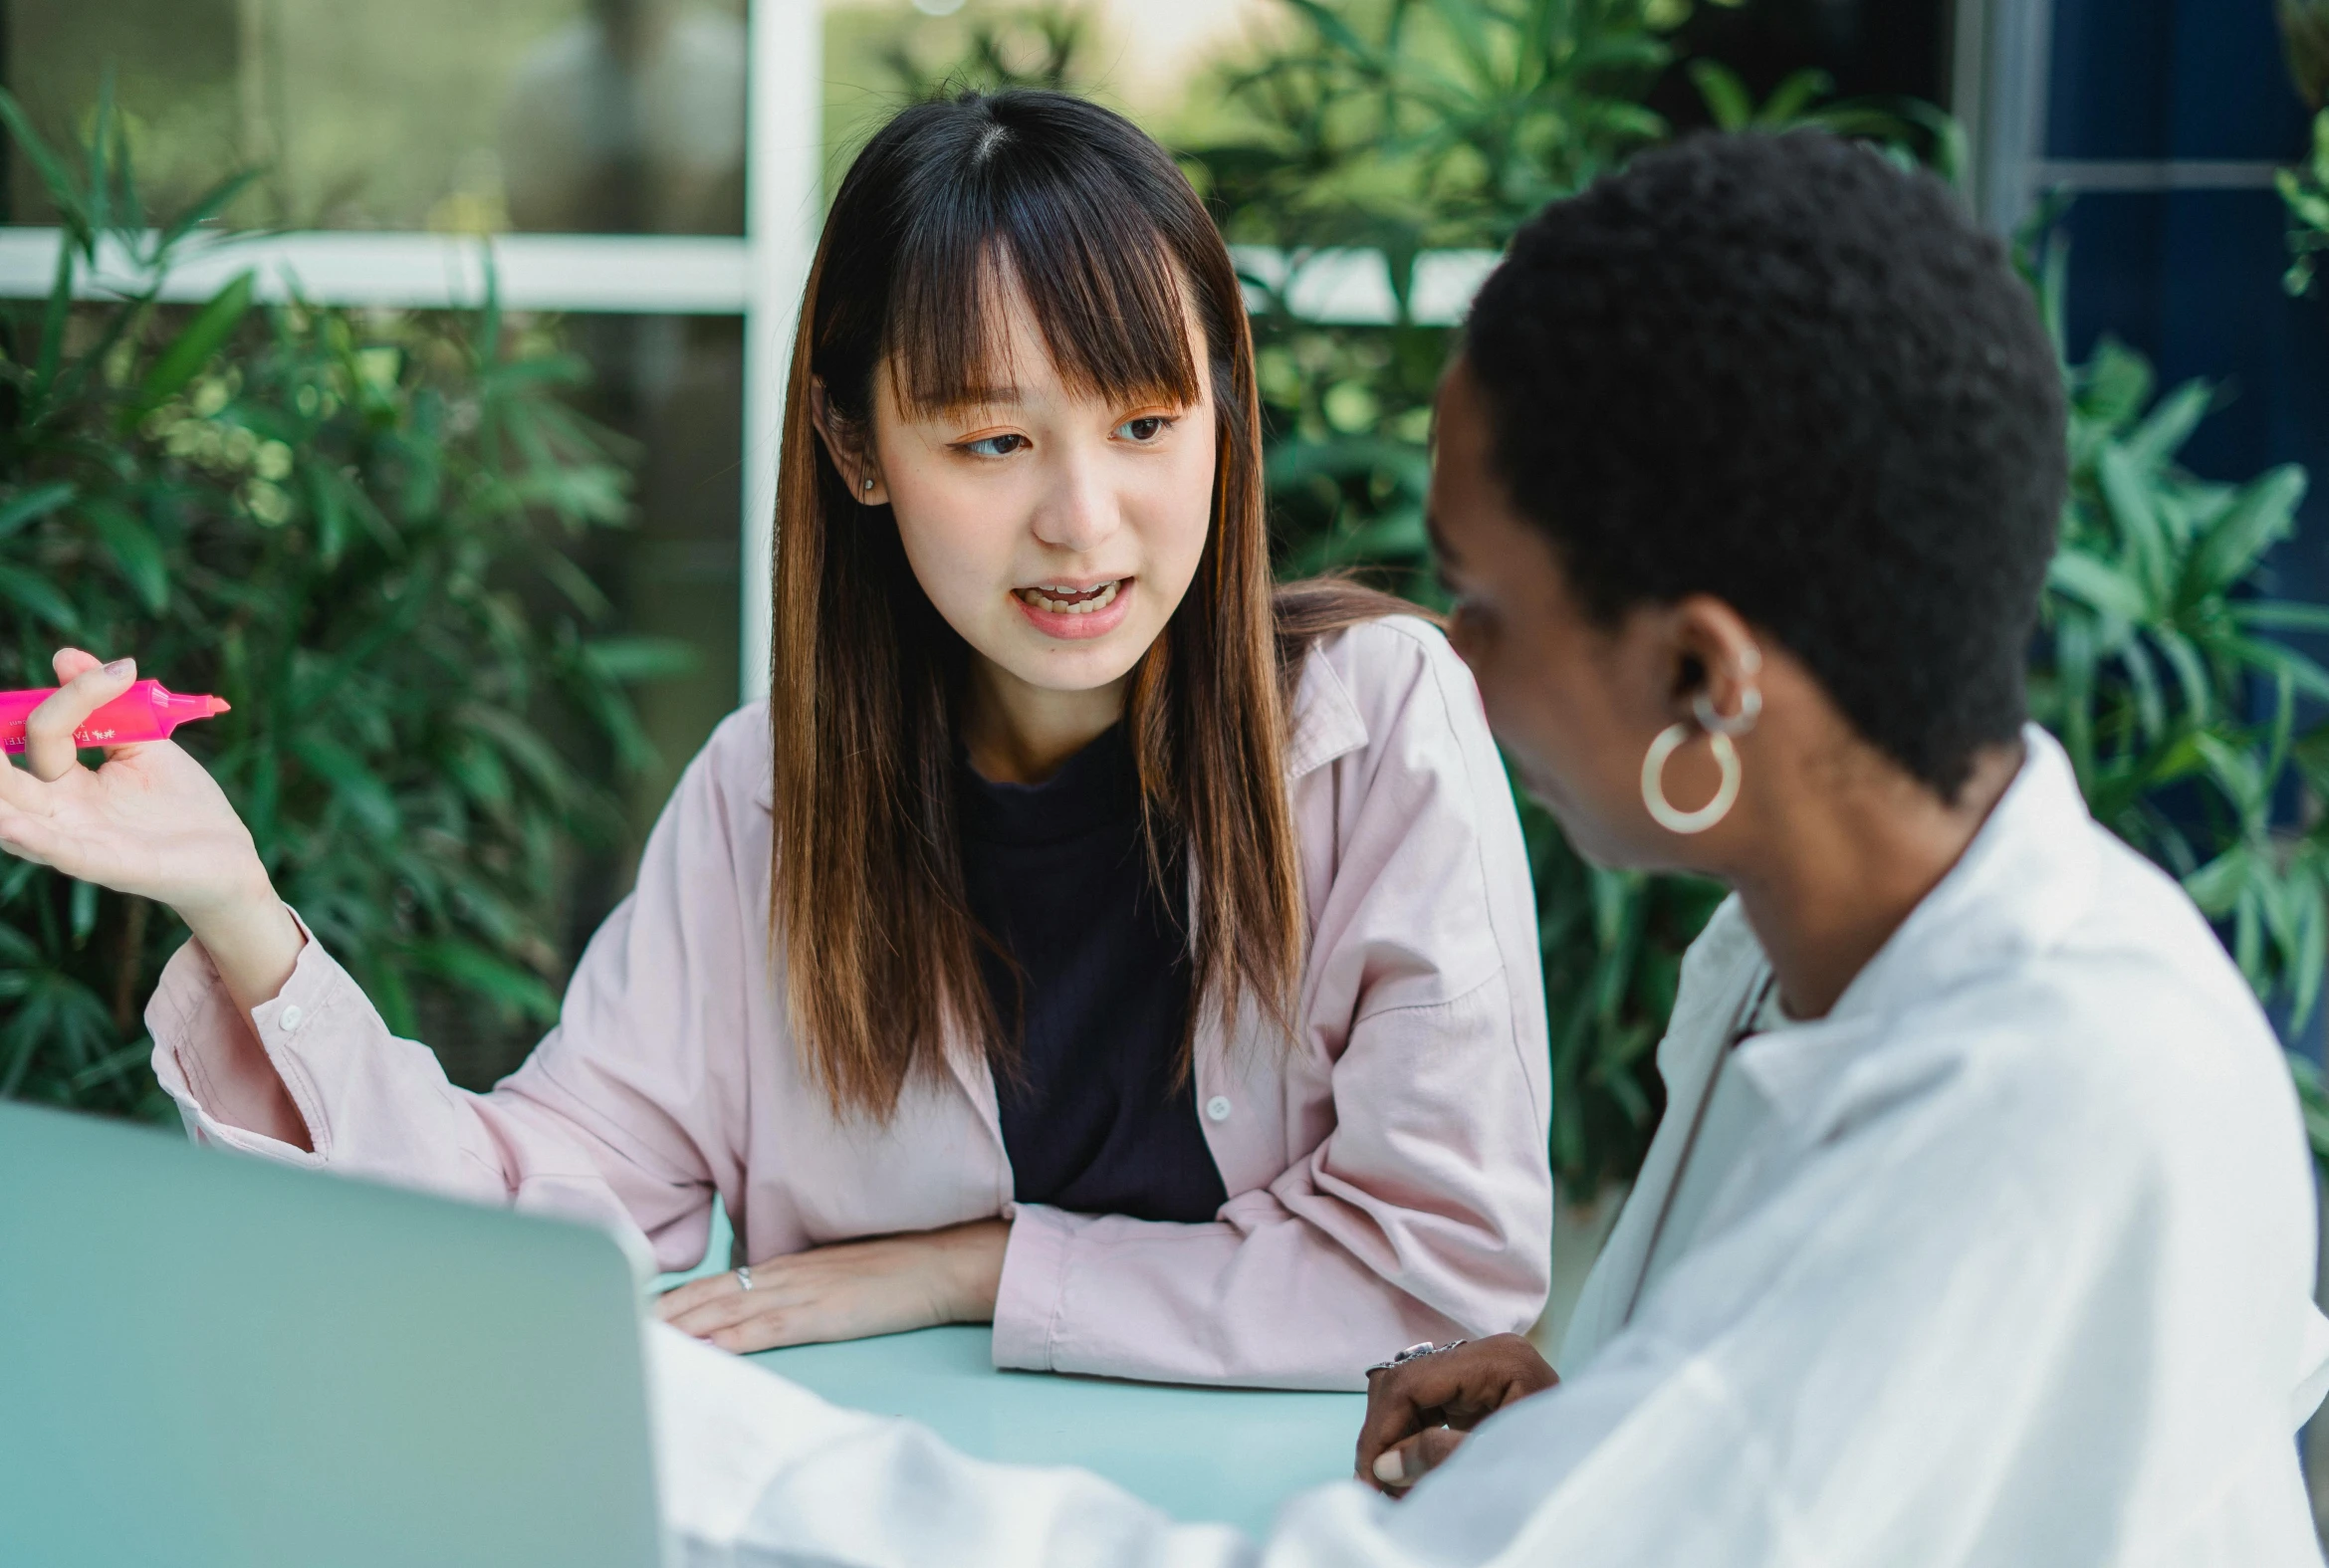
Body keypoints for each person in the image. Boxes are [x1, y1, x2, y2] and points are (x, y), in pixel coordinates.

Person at [563, 127, 2325, 1562]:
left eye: (1482, 604)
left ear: (1700, 673)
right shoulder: (1823, 971)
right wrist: (1592, 1407)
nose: (1443, 667)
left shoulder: (2028, 1105)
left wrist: (694, 1438)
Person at [0, 91, 1552, 1389]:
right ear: (855, 447)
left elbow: (1445, 1275)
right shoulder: (768, 798)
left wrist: (970, 1268)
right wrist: (239, 913)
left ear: (1223, 404)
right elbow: (524, 1233)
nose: (1084, 520)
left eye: (1146, 423)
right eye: (992, 440)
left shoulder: (1379, 725)